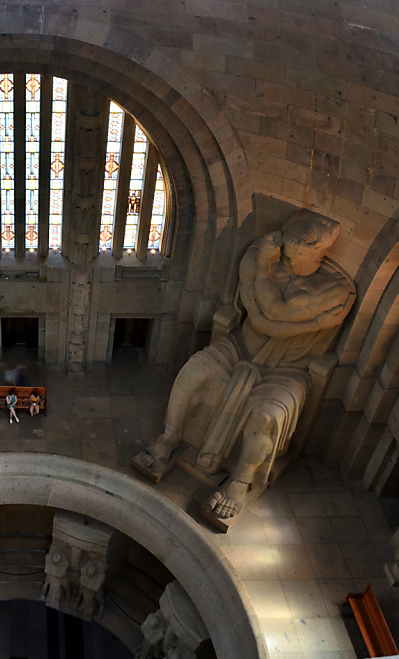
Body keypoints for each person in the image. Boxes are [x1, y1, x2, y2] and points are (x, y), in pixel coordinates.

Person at [134, 211, 355, 518]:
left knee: (267, 414)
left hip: (289, 368)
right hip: (240, 346)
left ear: (319, 252)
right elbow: (264, 317)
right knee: (194, 371)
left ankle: (240, 480)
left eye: (296, 255)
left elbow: (275, 313)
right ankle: (169, 438)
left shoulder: (335, 290)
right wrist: (266, 278)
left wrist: (265, 269)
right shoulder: (259, 255)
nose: (287, 261)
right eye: (285, 255)